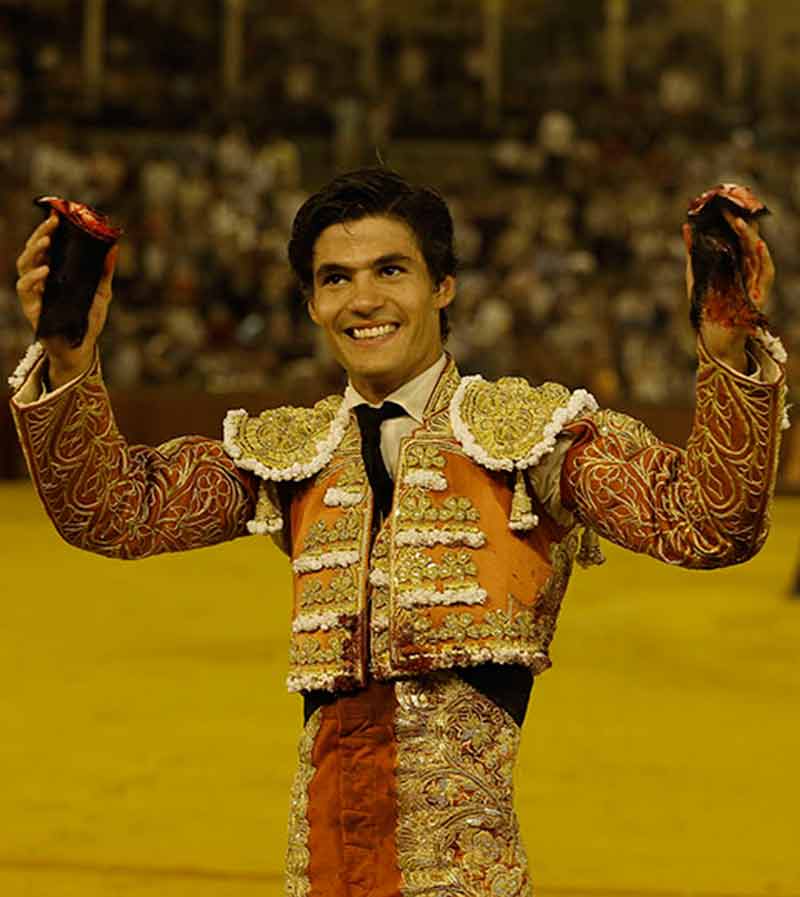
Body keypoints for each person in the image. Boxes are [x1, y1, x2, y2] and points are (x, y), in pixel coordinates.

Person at [10, 168, 787, 896]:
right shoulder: (294, 453)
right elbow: (112, 511)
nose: (362, 299)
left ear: (442, 286)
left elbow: (708, 522)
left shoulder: (528, 437)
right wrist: (70, 355)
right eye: (335, 278)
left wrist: (726, 354)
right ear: (312, 304)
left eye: (391, 270)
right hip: (318, 867)